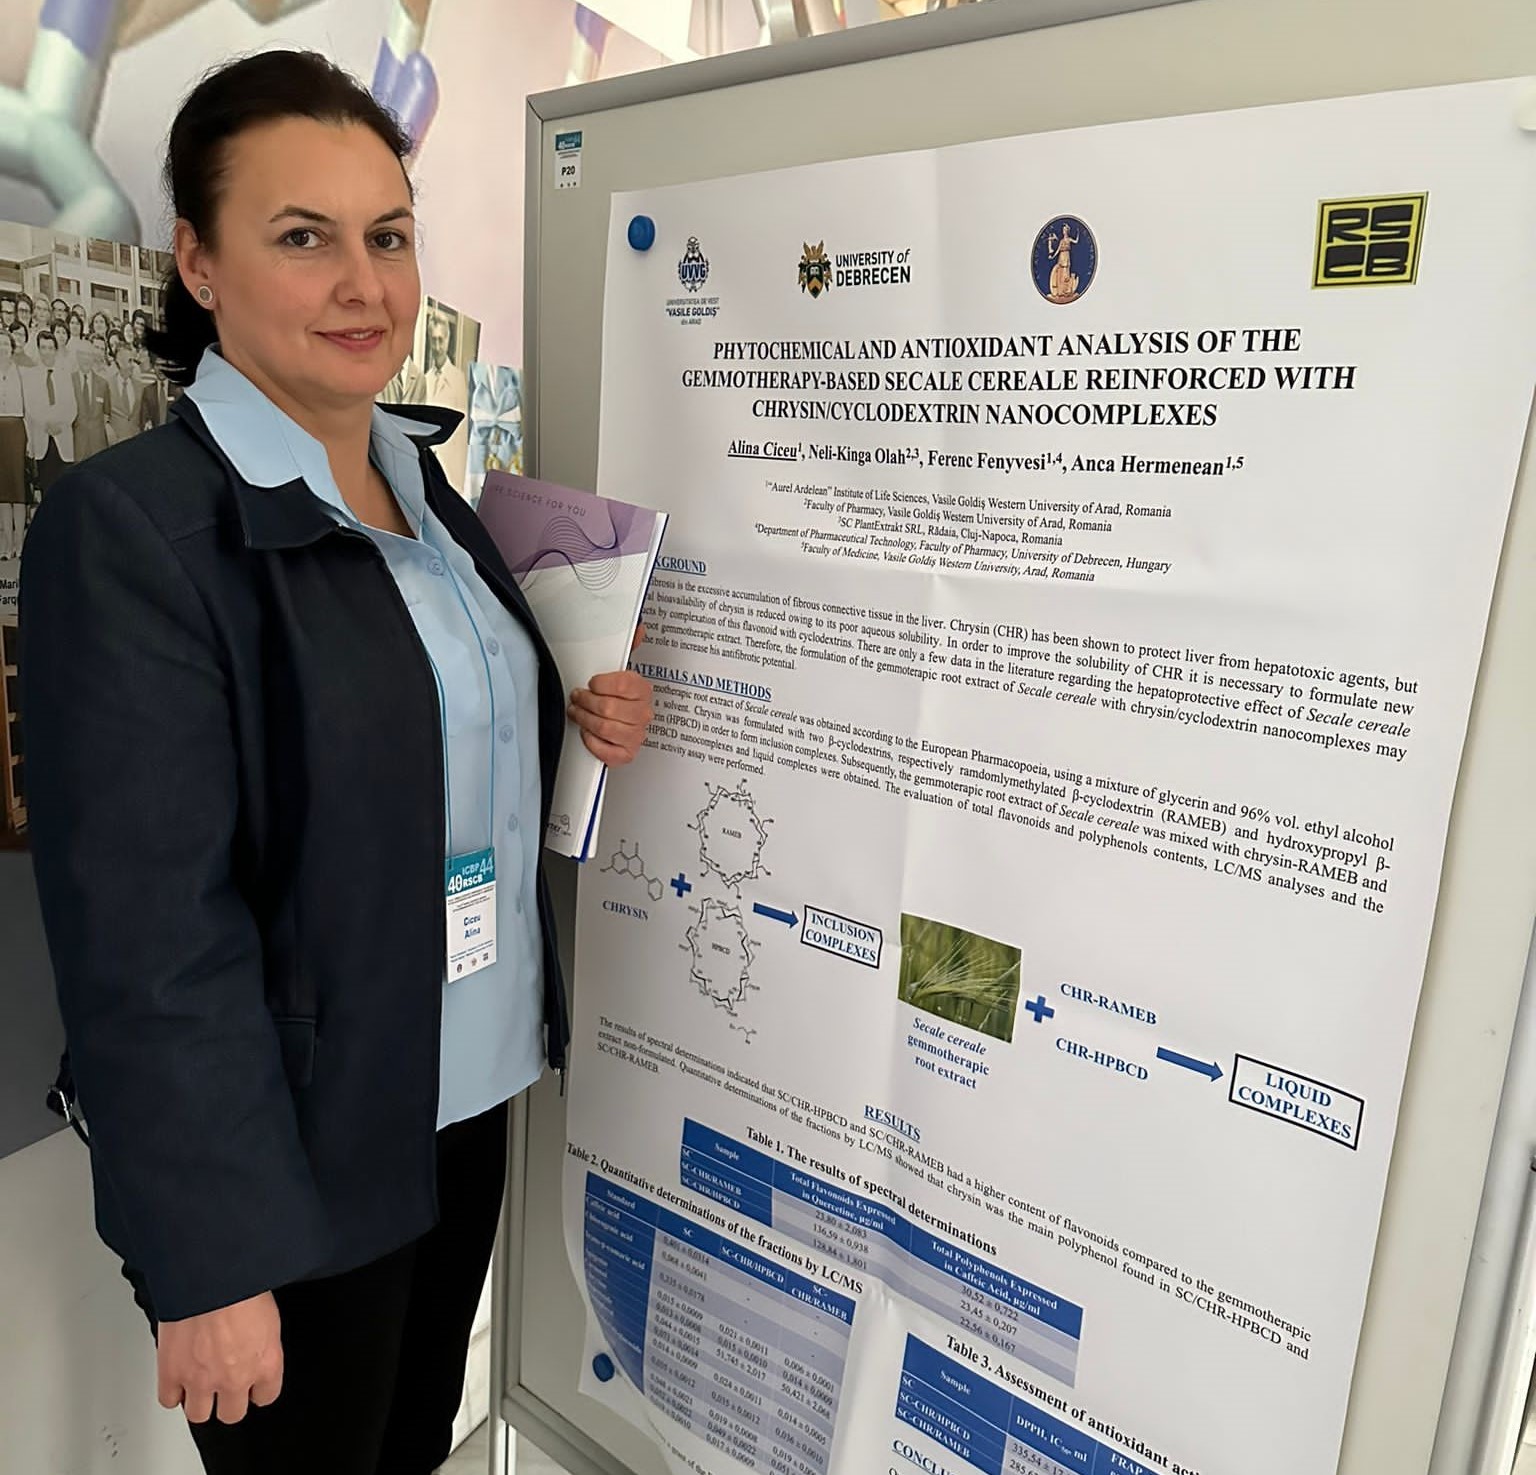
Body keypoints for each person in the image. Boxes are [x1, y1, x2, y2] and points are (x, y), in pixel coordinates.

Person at [19, 49, 654, 1475]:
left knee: (410, 1449)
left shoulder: (425, 489)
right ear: (198, 261)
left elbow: (398, 736)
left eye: (389, 235)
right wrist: (207, 1258)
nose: (365, 285)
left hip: (467, 1094)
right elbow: (145, 932)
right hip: (296, 1152)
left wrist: (568, 713)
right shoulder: (135, 532)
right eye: (303, 237)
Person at [21, 329, 76, 491]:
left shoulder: (65, 375)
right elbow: (31, 406)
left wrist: (59, 424)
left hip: (62, 435)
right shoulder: (30, 376)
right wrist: (47, 423)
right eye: (43, 348)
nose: (47, 352)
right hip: (42, 435)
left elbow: (72, 407)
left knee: (63, 488)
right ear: (38, 349)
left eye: (50, 348)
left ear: (56, 350)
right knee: (46, 486)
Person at [0, 331, 27, 560]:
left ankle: (19, 542)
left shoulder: (21, 373)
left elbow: (28, 407)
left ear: (12, 347)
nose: (2, 348)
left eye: (5, 344)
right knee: (2, 490)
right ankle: (7, 544)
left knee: (17, 488)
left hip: (17, 430)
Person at [103, 342, 144, 446]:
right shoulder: (107, 385)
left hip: (136, 442)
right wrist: (108, 429)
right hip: (115, 443)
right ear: (119, 362)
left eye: (133, 361)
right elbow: (103, 414)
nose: (133, 365)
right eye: (129, 361)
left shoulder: (140, 386)